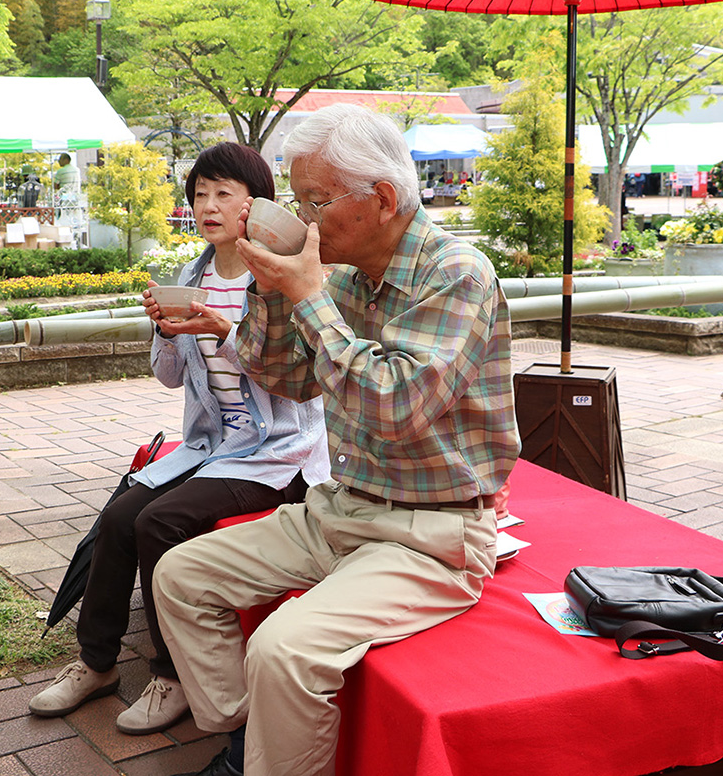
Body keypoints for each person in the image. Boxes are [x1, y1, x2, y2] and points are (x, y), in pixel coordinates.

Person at [153, 103, 520, 776]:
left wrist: (311, 296)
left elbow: (395, 408)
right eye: (298, 201)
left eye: (314, 201)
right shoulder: (344, 276)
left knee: (283, 649)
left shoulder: (457, 272)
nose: (305, 217)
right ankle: (248, 741)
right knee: (180, 575)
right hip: (343, 507)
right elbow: (285, 377)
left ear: (382, 198)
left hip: (432, 536)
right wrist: (272, 288)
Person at [28, 143, 329, 737]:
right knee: (118, 517)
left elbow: (304, 385)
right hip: (211, 446)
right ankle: (96, 663)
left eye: (224, 193)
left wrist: (226, 330)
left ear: (256, 204)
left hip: (275, 453)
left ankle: (174, 675)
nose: (209, 206)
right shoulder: (191, 276)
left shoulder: (280, 280)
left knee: (157, 522)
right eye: (199, 194)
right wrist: (163, 330)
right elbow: (168, 376)